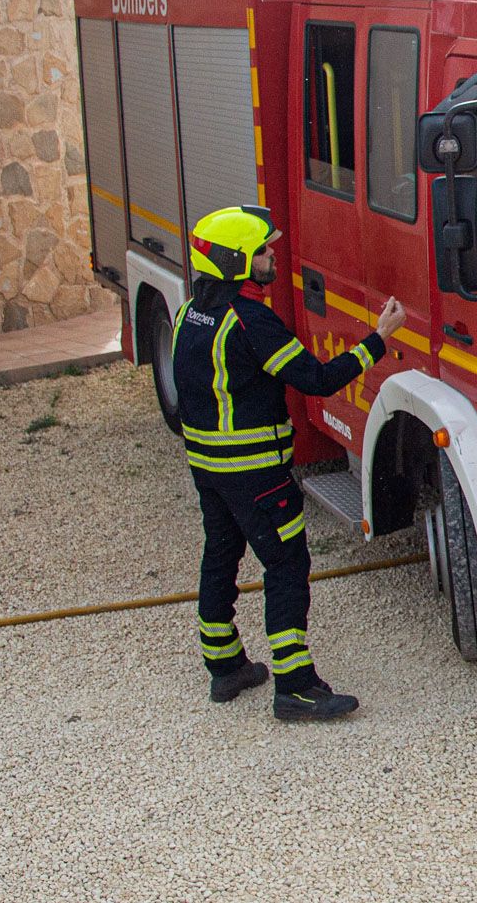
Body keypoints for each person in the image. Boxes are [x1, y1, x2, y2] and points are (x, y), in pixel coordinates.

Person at [174, 206, 403, 721]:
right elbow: (316, 381)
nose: (272, 255)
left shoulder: (191, 312)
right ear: (237, 262)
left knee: (221, 555)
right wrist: (378, 340)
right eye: (262, 251)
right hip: (256, 473)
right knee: (286, 565)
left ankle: (224, 665)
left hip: (208, 468)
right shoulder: (250, 320)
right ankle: (295, 687)